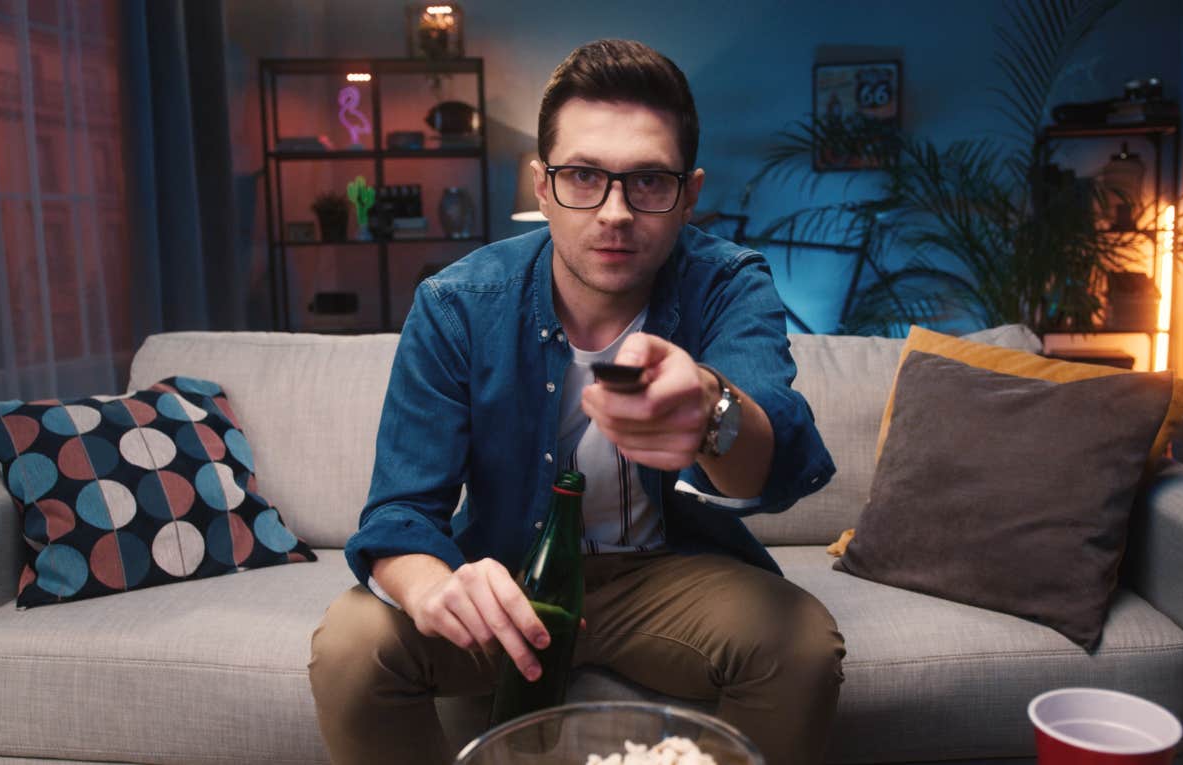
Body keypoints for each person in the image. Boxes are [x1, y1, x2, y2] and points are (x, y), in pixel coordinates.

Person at [309, 39, 843, 765]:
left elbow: (770, 461)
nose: (615, 212)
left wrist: (710, 410)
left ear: (689, 193)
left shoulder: (726, 283)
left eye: (649, 180)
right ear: (542, 185)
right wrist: (435, 587)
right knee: (351, 642)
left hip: (664, 571)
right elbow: (399, 511)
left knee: (800, 642)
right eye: (584, 176)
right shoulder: (457, 303)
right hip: (510, 570)